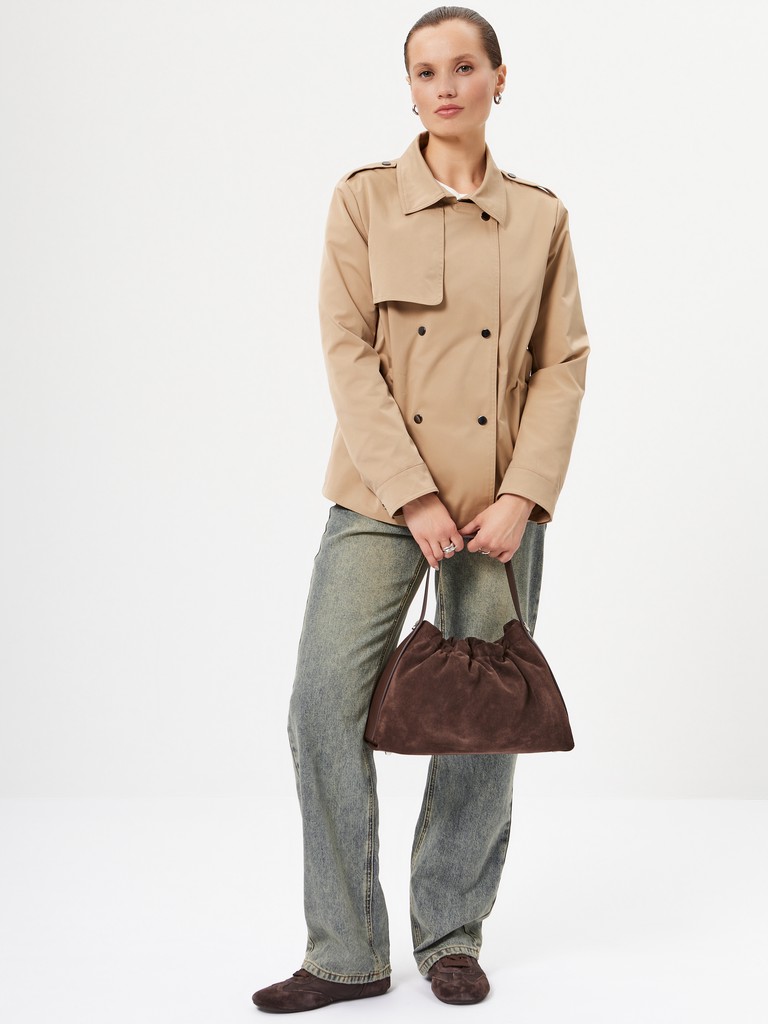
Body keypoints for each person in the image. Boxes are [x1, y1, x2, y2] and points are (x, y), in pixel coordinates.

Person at [252, 5, 589, 1013]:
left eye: (463, 67)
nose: (444, 86)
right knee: (322, 705)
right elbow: (347, 352)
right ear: (409, 90)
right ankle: (345, 951)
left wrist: (523, 494)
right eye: (425, 71)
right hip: (379, 492)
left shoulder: (540, 217)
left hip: (497, 508)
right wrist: (411, 495)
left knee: (481, 720)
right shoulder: (363, 200)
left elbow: (562, 363)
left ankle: (452, 935)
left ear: (498, 79)